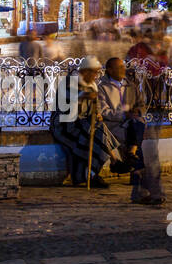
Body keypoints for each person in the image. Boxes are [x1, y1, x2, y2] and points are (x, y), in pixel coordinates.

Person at [49, 55, 123, 188]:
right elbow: (68, 103)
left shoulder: (93, 85)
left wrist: (98, 114)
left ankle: (93, 173)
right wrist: (83, 96)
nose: (96, 75)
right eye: (94, 72)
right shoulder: (70, 81)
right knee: (92, 130)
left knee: (97, 129)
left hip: (83, 123)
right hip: (65, 124)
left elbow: (96, 109)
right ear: (86, 71)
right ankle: (112, 161)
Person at [98, 57, 164, 204]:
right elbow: (103, 111)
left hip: (133, 124)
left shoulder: (131, 86)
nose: (123, 70)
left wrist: (137, 111)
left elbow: (141, 104)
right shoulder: (102, 88)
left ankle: (139, 185)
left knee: (136, 124)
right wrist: (123, 115)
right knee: (137, 138)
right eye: (119, 68)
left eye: (123, 67)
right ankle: (134, 158)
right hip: (115, 125)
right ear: (109, 70)